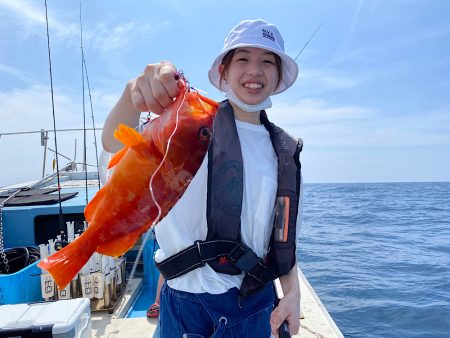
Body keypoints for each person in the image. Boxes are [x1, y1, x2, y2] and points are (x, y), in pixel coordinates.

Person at [102, 19, 303, 338]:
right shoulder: (189, 124)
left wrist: (292, 293)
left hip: (255, 307)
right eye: (243, 59)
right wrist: (133, 94)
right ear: (223, 72)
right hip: (185, 309)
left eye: (267, 61)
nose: (255, 70)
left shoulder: (284, 150)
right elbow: (114, 142)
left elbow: (281, 236)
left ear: (278, 77)